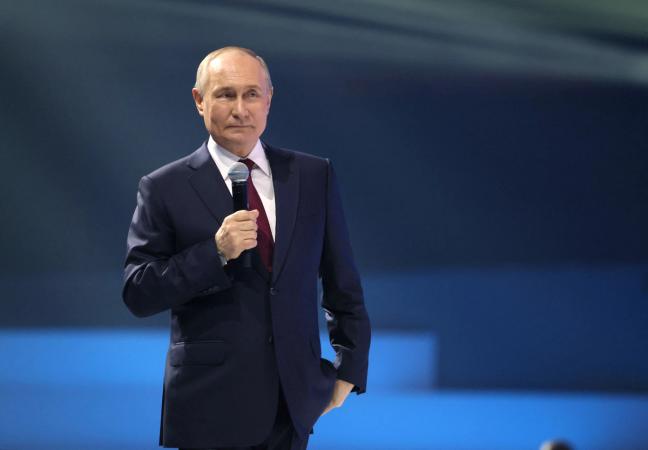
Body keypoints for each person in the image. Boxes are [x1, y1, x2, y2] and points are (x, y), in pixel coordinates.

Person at [122, 46, 371, 450]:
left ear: (268, 100)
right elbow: (138, 291)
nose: (240, 109)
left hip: (292, 404)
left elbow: (342, 280)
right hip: (209, 406)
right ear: (199, 101)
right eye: (225, 95)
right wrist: (215, 252)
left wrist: (349, 370)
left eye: (251, 94)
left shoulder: (312, 175)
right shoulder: (164, 187)